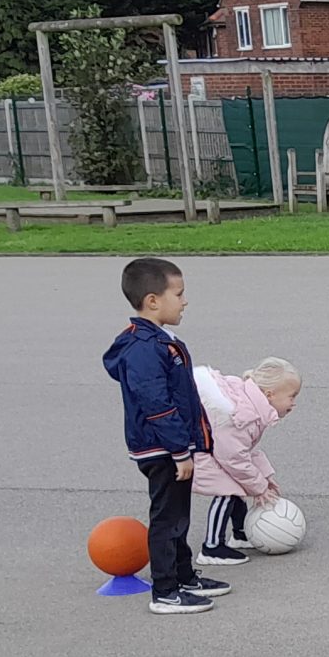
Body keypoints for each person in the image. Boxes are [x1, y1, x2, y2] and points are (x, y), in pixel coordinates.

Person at [102, 257, 228, 614]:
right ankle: (166, 592)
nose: (185, 301)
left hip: (171, 446)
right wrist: (178, 450)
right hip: (162, 449)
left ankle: (184, 575)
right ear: (153, 300)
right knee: (167, 518)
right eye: (179, 293)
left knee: (178, 515)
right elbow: (156, 403)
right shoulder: (144, 348)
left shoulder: (158, 340)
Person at [193, 358, 302, 563]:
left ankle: (241, 533)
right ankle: (212, 547)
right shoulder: (243, 415)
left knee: (238, 484)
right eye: (292, 396)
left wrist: (265, 477)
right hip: (198, 450)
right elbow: (234, 458)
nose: (294, 403)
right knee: (226, 490)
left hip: (215, 448)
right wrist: (259, 486)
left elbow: (248, 450)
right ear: (270, 395)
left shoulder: (251, 406)